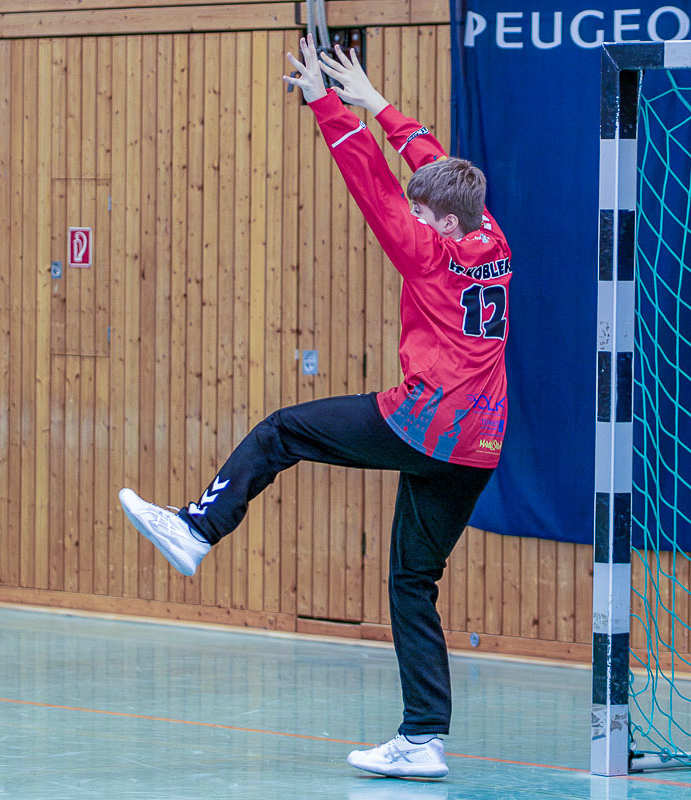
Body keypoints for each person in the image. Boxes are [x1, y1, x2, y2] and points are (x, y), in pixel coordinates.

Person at [117, 38, 511, 780]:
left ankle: (197, 530)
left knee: (282, 431)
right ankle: (423, 739)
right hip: (478, 447)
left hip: (423, 424)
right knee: (412, 582)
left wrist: (329, 105)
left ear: (446, 227)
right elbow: (432, 163)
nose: (413, 216)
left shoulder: (430, 254)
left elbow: (372, 185)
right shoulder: (489, 234)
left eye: (423, 213)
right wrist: (378, 104)